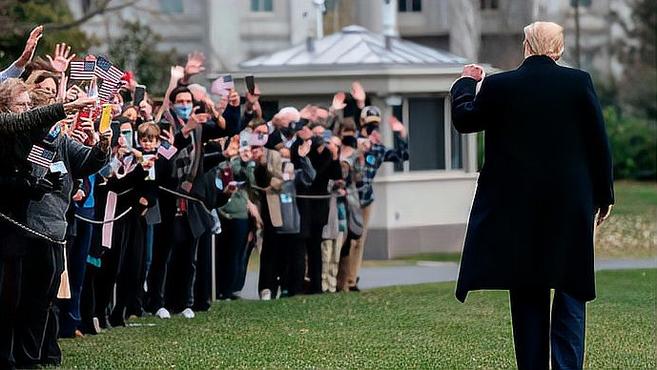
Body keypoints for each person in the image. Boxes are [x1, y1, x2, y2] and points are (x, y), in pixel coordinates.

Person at [450, 21, 614, 370]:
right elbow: (598, 143)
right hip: (570, 206)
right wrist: (604, 195)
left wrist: (465, 83)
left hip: (517, 210)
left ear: (526, 46)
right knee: (571, 288)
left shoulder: (499, 86)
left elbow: (465, 120)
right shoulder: (578, 82)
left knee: (527, 291)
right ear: (560, 48)